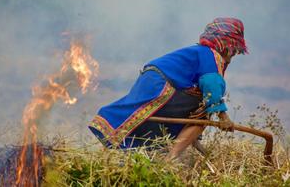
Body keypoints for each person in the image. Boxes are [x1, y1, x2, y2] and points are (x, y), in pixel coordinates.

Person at [89, 17, 248, 160]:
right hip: (161, 84)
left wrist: (202, 151)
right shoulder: (210, 55)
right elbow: (212, 85)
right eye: (235, 51)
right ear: (227, 45)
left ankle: (139, 154)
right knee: (202, 115)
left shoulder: (199, 52)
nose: (233, 55)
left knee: (194, 113)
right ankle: (170, 159)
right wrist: (223, 117)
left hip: (152, 79)